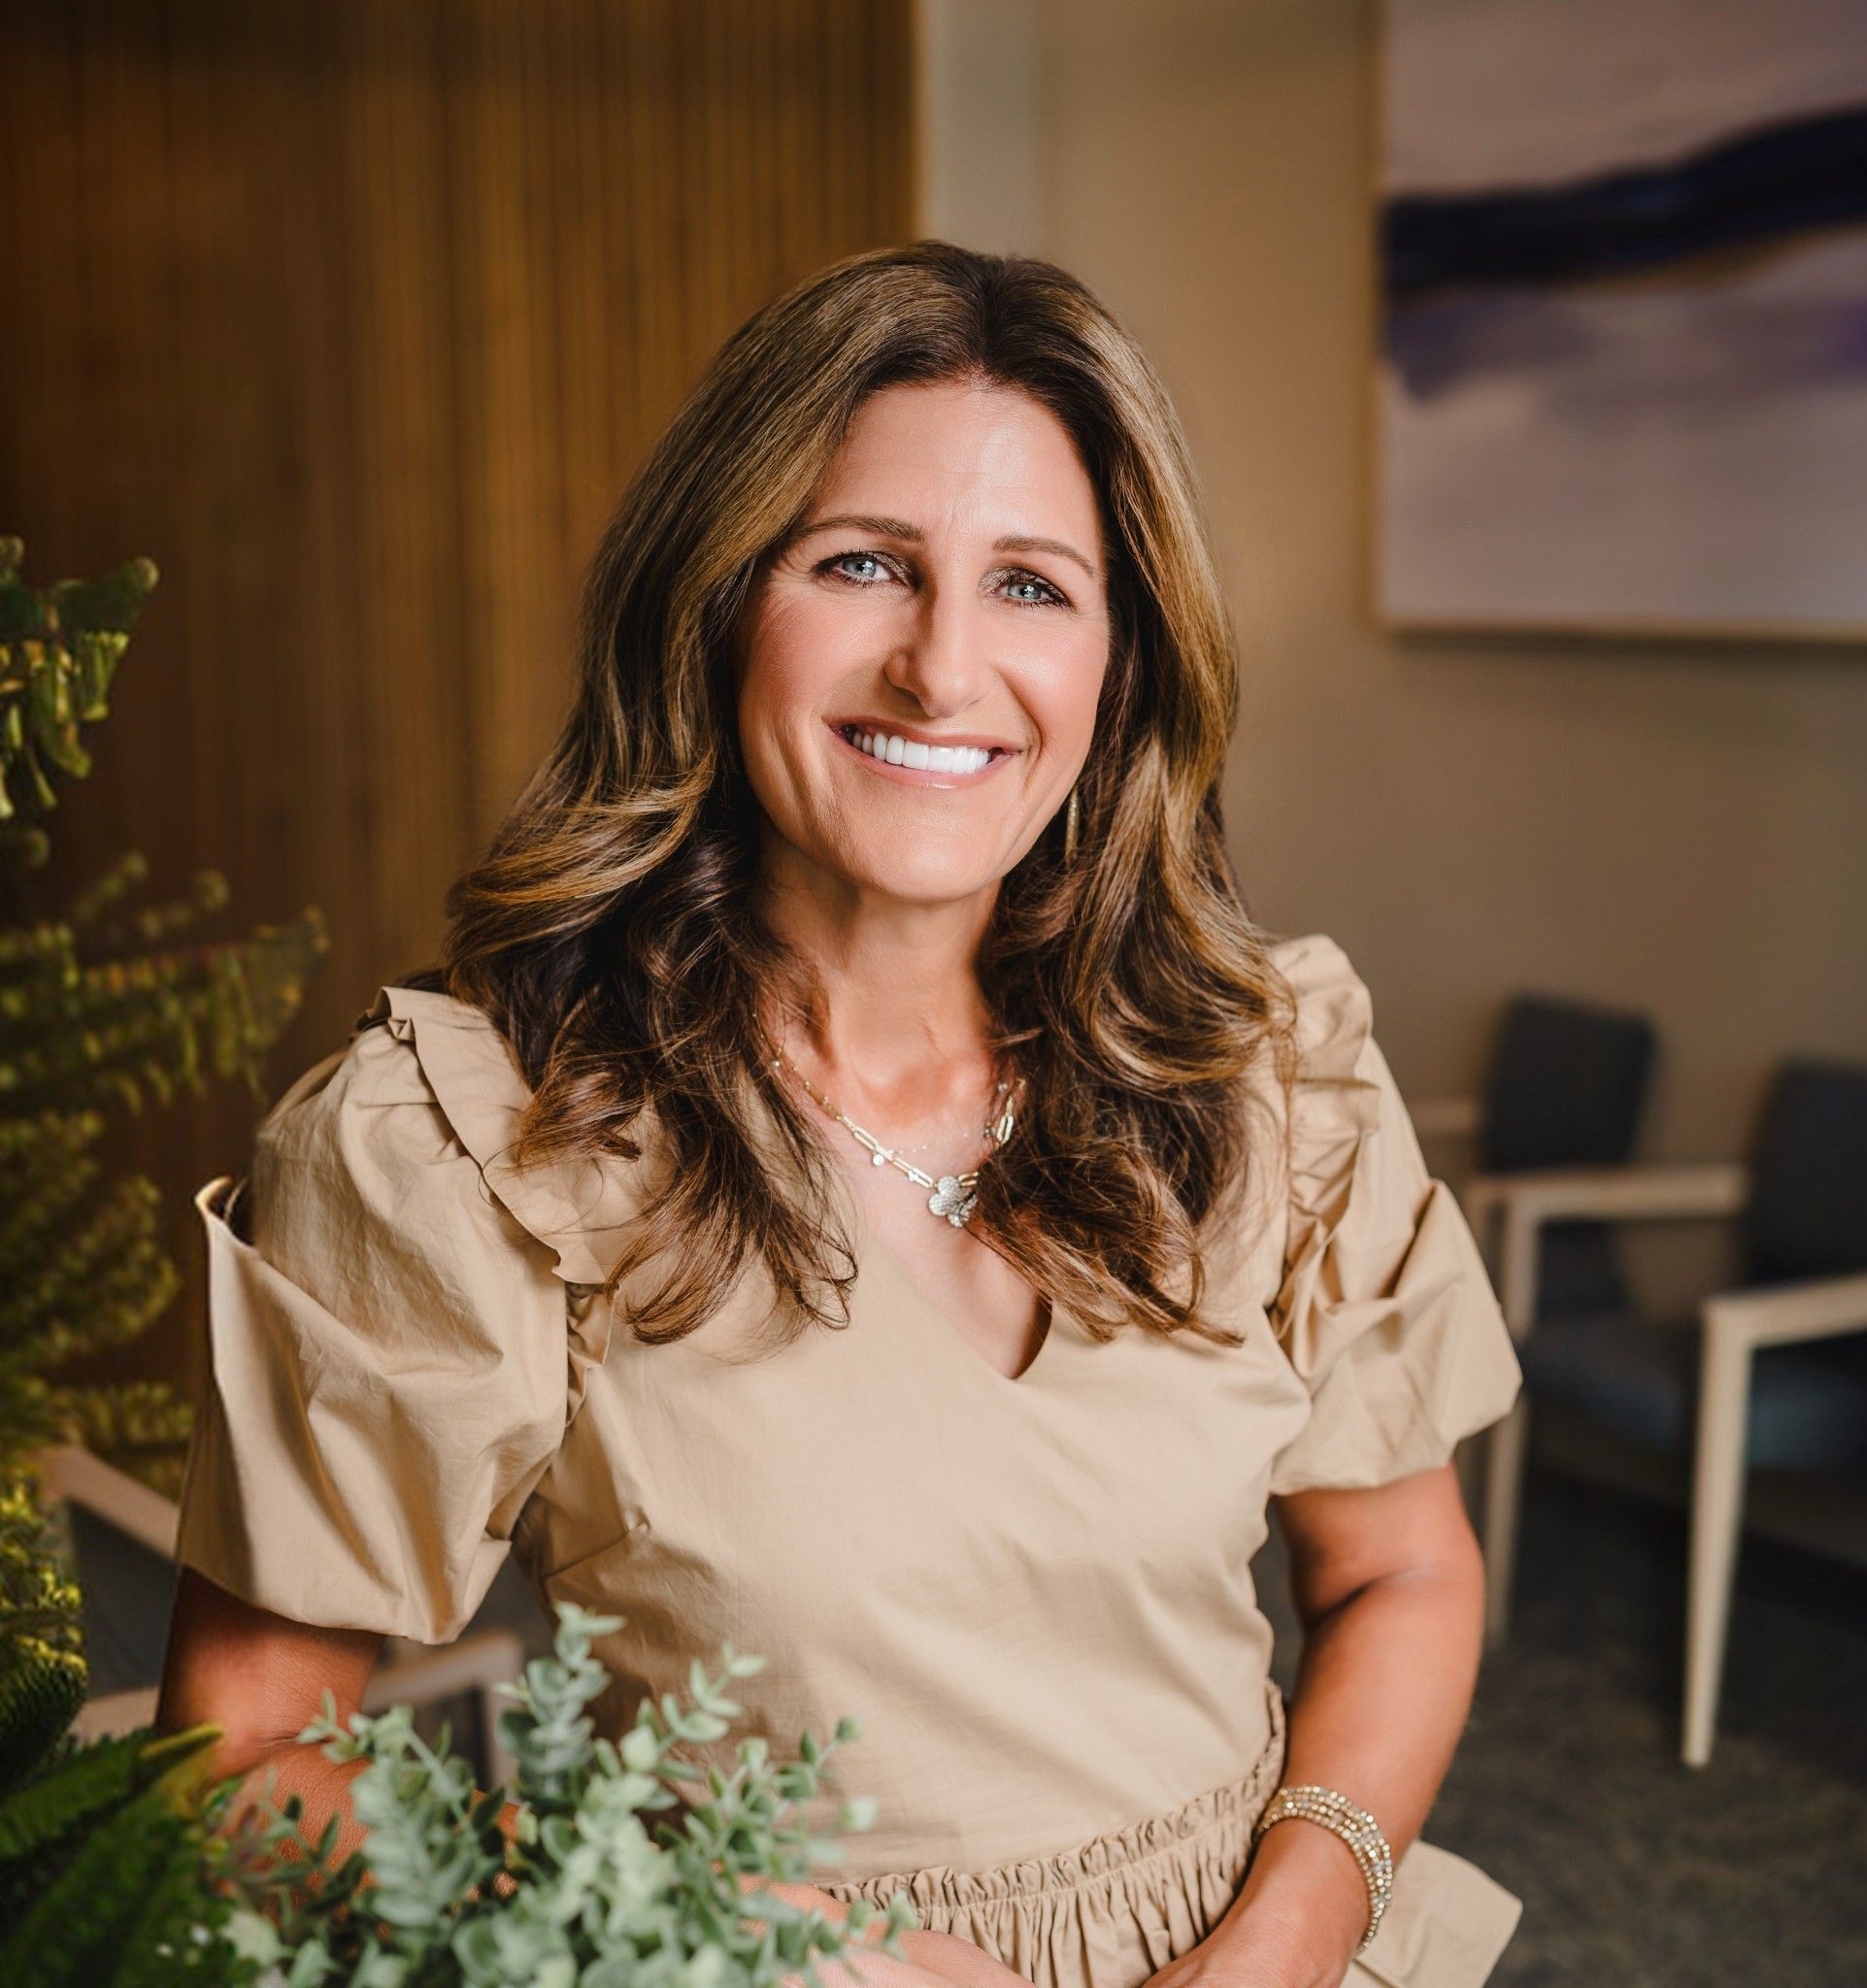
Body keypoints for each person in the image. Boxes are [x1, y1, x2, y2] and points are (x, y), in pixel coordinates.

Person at [158, 241, 1526, 1988]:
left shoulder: (1260, 1072)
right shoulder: (477, 1139)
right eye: (865, 565)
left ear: (1122, 658)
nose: (944, 670)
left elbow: (1404, 1573)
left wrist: (1291, 1931)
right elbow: (238, 1757)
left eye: (1033, 584)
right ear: (720, 601)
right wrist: (692, 1931)